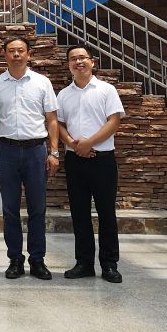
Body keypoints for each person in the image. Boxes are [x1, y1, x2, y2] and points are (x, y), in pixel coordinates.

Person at [0, 36, 60, 280]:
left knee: (38, 208)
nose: (16, 55)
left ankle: (37, 260)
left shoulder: (42, 82)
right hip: (6, 151)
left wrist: (54, 152)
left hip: (36, 150)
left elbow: (51, 119)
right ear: (4, 55)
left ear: (29, 54)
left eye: (20, 50)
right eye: (11, 51)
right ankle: (15, 259)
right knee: (10, 209)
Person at [57, 43, 126, 284]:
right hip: (74, 160)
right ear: (68, 65)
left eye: (82, 58)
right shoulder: (63, 95)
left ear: (92, 62)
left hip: (102, 159)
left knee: (106, 212)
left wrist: (89, 143)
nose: (78, 62)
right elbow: (59, 124)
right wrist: (73, 144)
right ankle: (84, 263)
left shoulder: (107, 90)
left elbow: (114, 121)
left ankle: (109, 264)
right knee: (79, 213)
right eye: (73, 59)